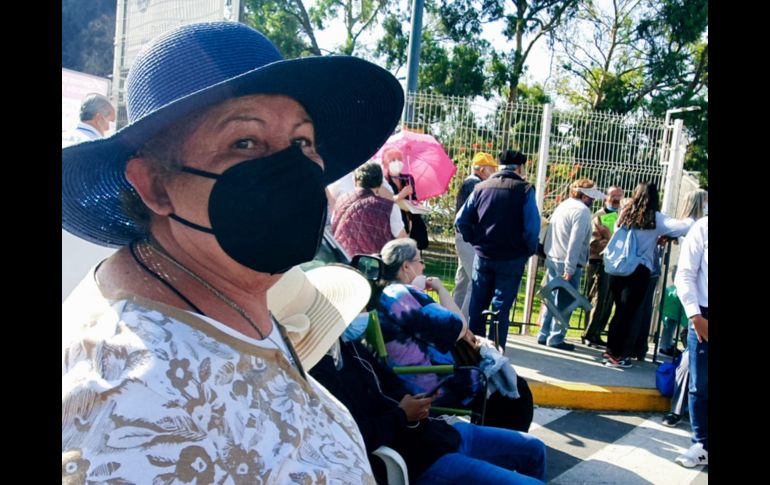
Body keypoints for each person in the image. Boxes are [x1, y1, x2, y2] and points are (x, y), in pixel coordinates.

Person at [62, 21, 403, 483]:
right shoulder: (128, 407)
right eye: (244, 142)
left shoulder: (222, 289)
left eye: (302, 142)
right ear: (155, 186)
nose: (292, 169)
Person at [310, 336, 547, 484]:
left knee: (534, 448)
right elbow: (352, 439)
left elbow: (390, 385)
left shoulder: (349, 345)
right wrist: (402, 415)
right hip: (417, 460)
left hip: (438, 433)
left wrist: (419, 400)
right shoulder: (318, 378)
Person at [376, 238, 535, 432]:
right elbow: (459, 328)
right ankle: (502, 452)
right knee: (517, 395)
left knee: (509, 388)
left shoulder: (389, 293)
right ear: (406, 267)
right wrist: (439, 289)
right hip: (435, 382)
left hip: (418, 377)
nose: (423, 266)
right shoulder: (403, 295)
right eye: (420, 260)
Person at [455, 149, 540, 347]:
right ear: (520, 168)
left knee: (477, 306)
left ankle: (474, 349)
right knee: (500, 309)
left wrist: (474, 240)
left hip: (483, 255)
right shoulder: (525, 189)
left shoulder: (481, 187)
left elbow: (461, 220)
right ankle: (496, 350)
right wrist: (527, 250)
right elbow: (531, 228)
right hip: (511, 257)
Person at [602, 182, 690, 368]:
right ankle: (619, 356)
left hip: (618, 268)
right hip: (639, 271)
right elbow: (682, 227)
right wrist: (692, 215)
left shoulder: (624, 213)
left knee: (618, 312)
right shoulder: (655, 218)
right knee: (629, 314)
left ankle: (610, 351)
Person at [537, 179, 605, 351]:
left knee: (552, 299)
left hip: (553, 257)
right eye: (591, 196)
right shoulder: (582, 212)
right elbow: (575, 242)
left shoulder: (563, 205)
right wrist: (570, 268)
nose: (593, 200)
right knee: (566, 302)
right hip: (567, 261)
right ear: (584, 195)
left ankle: (544, 333)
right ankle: (556, 337)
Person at [673, 216, 708, 468]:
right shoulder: (703, 227)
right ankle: (702, 444)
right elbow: (684, 273)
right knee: (701, 384)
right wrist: (695, 316)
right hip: (704, 315)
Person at [453, 152, 499, 320]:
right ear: (481, 169)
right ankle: (464, 322)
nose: (493, 171)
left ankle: (454, 316)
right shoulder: (475, 185)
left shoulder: (470, 183)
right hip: (469, 238)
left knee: (463, 281)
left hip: (464, 237)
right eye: (491, 168)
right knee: (474, 280)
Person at [332, 161, 406, 256]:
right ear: (380, 183)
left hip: (342, 261)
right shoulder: (390, 207)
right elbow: (403, 241)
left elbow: (334, 225)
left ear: (354, 180)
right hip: (373, 265)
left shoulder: (340, 200)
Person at [581, 186, 624, 347]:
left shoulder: (621, 216)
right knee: (596, 299)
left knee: (608, 301)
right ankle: (588, 333)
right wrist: (611, 240)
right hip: (598, 262)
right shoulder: (598, 216)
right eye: (613, 196)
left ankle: (597, 331)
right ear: (606, 197)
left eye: (619, 196)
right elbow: (594, 243)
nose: (616, 199)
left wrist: (610, 239)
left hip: (615, 265)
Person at [381, 148, 430, 249]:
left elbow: (413, 200)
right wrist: (400, 195)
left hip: (411, 219)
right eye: (392, 160)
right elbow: (384, 202)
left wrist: (414, 201)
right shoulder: (384, 181)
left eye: (399, 159)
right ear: (385, 164)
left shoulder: (408, 179)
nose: (397, 162)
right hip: (394, 222)